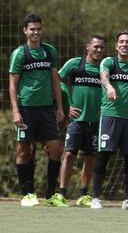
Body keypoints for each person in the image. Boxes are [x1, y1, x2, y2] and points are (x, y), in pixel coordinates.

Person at [9, 13, 64, 207]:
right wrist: (15, 111)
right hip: (26, 109)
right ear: (25, 30)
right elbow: (13, 84)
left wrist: (59, 106)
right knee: (25, 149)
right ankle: (27, 194)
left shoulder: (49, 51)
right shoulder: (19, 54)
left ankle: (50, 195)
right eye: (32, 29)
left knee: (56, 149)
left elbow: (55, 81)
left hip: (46, 109)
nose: (36, 32)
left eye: (38, 29)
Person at [91, 31, 128, 210]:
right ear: (116, 46)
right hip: (110, 116)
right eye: (121, 42)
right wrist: (109, 87)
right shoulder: (108, 62)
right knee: (104, 155)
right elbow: (104, 77)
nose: (124, 44)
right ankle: (95, 197)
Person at [48, 34, 105, 207]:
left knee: (90, 157)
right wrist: (67, 105)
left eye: (102, 47)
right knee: (70, 154)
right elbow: (58, 79)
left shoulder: (104, 69)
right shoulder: (75, 64)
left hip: (96, 121)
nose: (99, 50)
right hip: (76, 121)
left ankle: (83, 195)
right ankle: (62, 193)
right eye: (96, 46)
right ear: (88, 46)